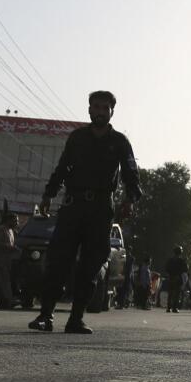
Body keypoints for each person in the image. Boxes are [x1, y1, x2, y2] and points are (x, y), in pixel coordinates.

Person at [28, 90, 141, 334]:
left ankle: (76, 319)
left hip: (101, 210)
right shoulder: (77, 138)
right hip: (72, 206)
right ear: (89, 109)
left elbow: (131, 174)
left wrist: (130, 199)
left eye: (105, 108)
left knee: (91, 265)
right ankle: (45, 316)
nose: (100, 111)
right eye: (96, 107)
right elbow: (62, 167)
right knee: (58, 261)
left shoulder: (120, 142)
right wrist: (48, 194)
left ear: (112, 112)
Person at [163, 246, 188, 314]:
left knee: (170, 293)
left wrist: (169, 275)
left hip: (171, 278)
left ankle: (168, 308)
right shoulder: (181, 260)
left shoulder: (170, 260)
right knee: (177, 294)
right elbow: (185, 269)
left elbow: (166, 269)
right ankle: (174, 308)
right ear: (180, 252)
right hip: (178, 278)